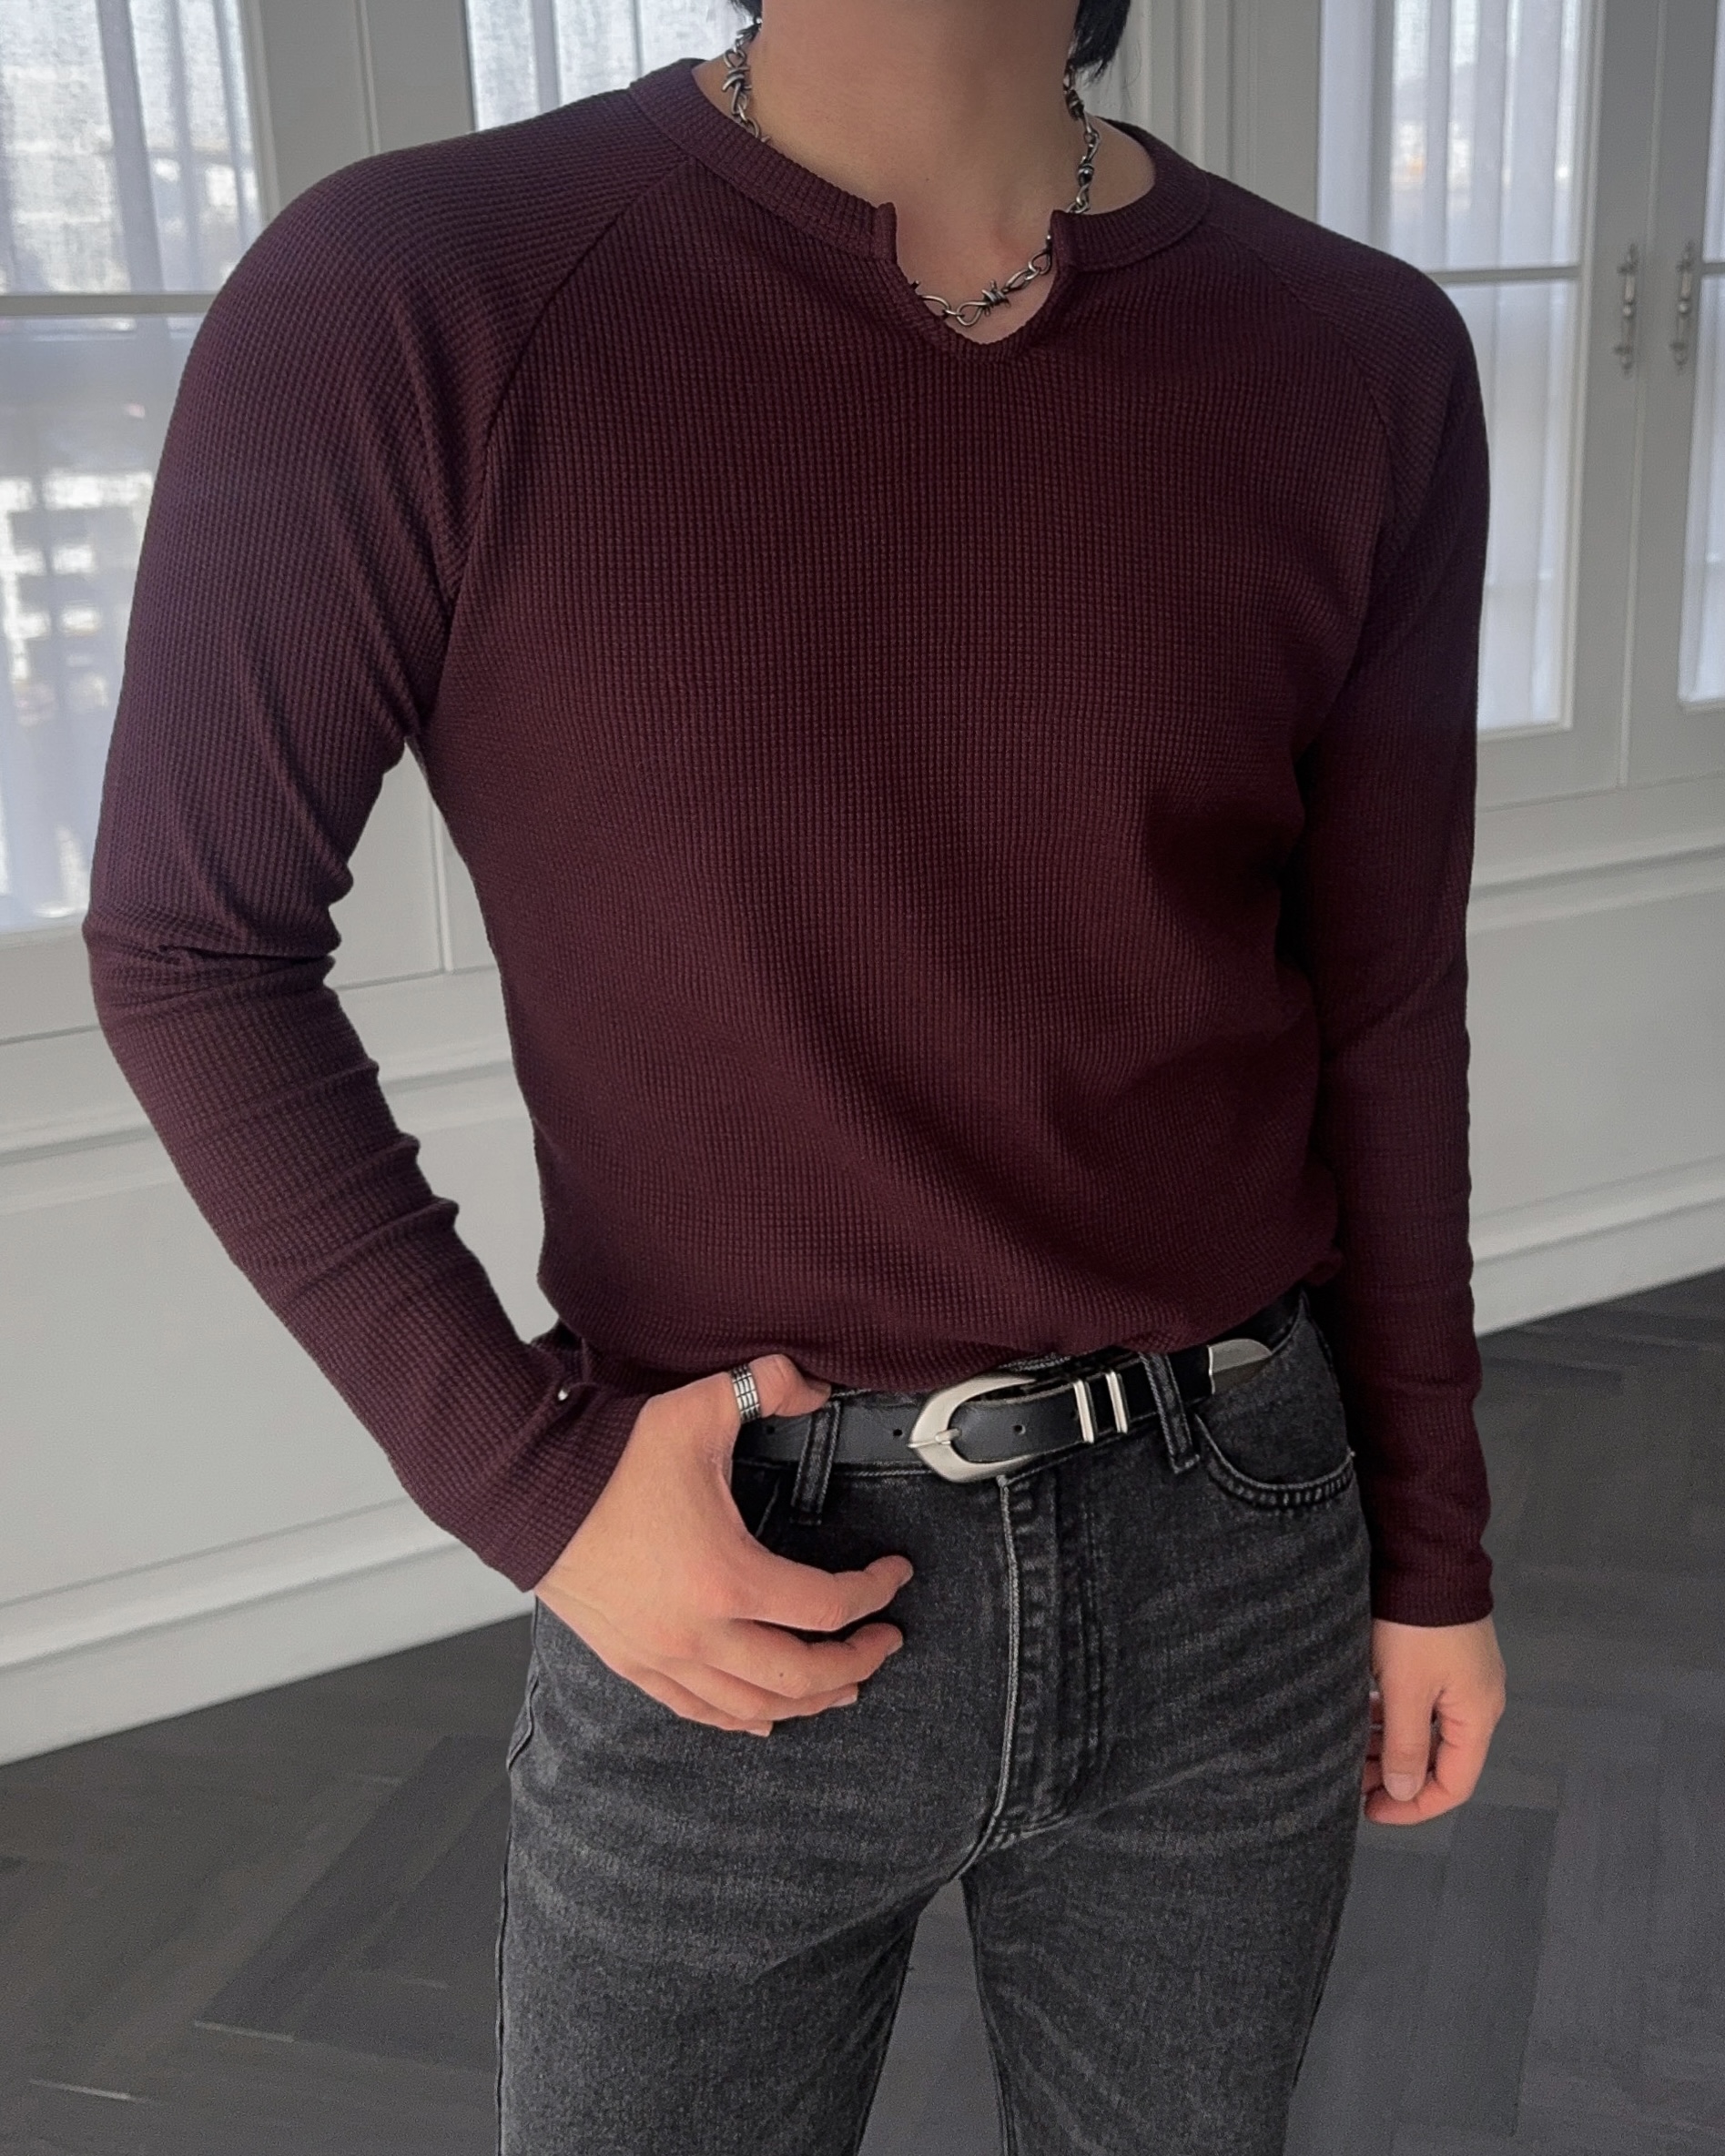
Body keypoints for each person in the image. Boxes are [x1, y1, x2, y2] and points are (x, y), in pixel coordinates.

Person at [83, 0, 1507, 2147]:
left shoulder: (1359, 353)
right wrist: (531, 1483)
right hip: (735, 1552)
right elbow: (193, 945)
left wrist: (1433, 1548)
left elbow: (1380, 1007)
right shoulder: (421, 292)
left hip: (1239, 1533)